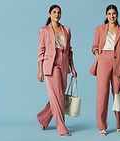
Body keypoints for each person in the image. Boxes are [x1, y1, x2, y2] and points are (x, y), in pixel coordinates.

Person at [37, 4, 77, 136]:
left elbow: (69, 51)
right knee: (58, 97)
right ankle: (61, 127)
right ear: (49, 14)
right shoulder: (44, 30)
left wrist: (73, 67)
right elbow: (41, 51)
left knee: (59, 96)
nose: (57, 14)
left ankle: (43, 118)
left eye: (59, 12)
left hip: (64, 63)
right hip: (51, 64)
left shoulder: (66, 29)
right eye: (54, 12)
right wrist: (40, 70)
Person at [91, 4, 120, 136]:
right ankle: (102, 126)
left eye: (114, 13)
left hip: (118, 62)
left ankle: (119, 124)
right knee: (102, 95)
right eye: (109, 14)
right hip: (103, 61)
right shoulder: (99, 29)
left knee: (118, 94)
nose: (112, 16)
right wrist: (99, 57)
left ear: (117, 15)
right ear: (106, 15)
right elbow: (94, 47)